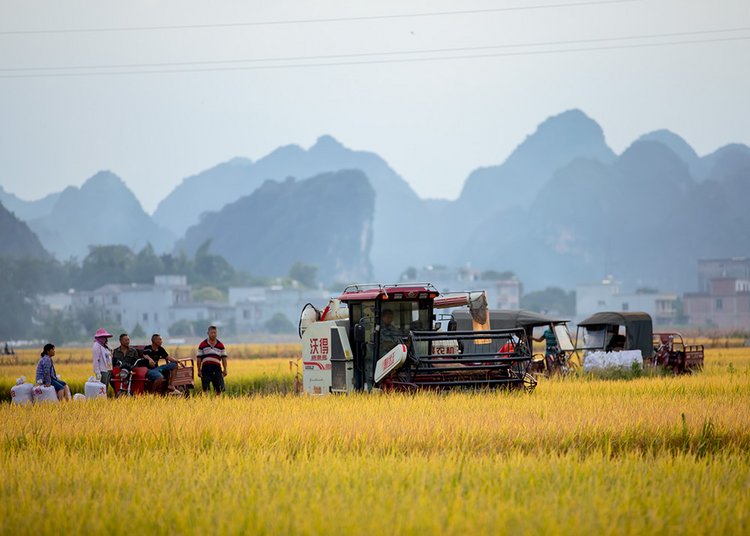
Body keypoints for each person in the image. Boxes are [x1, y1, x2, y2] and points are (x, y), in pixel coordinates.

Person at [197, 326, 227, 395]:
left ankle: (216, 403)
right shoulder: (202, 344)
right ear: (208, 333)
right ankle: (206, 402)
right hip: (205, 370)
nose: (213, 334)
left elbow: (224, 358)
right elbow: (199, 358)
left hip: (217, 370)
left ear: (217, 333)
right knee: (205, 389)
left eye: (215, 333)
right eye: (211, 333)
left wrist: (225, 369)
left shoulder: (220, 345)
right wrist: (199, 370)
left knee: (219, 390)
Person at [92, 328, 114, 392]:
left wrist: (110, 350)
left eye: (105, 337)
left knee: (106, 386)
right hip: (102, 370)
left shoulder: (105, 346)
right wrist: (97, 372)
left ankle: (105, 399)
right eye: (103, 337)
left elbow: (110, 356)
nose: (105, 339)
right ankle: (102, 400)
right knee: (102, 387)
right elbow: (96, 360)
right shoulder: (97, 346)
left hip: (108, 368)